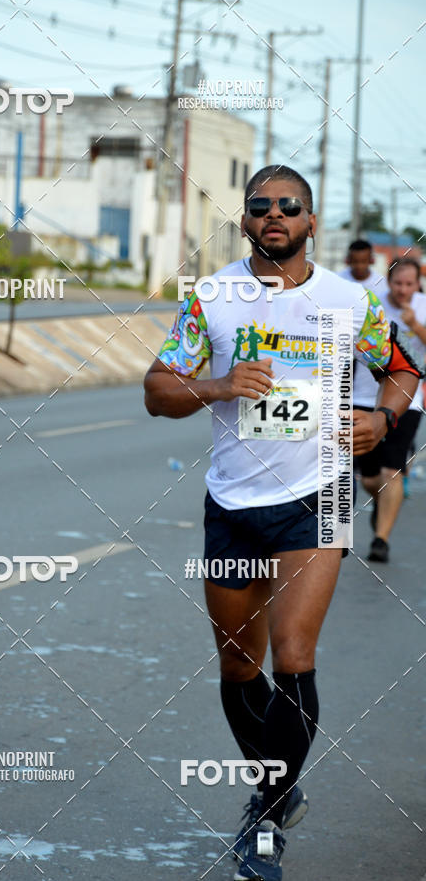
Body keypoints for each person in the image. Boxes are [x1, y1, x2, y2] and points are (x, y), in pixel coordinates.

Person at [143, 165, 422, 881]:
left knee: (293, 656)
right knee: (239, 667)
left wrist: (382, 417)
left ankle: (264, 821)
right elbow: (157, 389)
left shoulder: (345, 302)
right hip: (233, 503)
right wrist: (215, 385)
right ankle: (281, 782)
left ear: (309, 222)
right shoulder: (213, 298)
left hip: (318, 494)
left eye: (289, 206)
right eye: (260, 206)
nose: (274, 215)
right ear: (243, 222)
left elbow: (403, 371)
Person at [354, 257, 426, 562]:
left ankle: (380, 540)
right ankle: (382, 502)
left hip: (406, 400)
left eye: (410, 284)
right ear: (389, 281)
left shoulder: (422, 306)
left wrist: (414, 326)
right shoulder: (371, 306)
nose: (403, 290)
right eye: (398, 283)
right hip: (364, 397)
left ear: (417, 282)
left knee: (391, 469)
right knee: (369, 476)